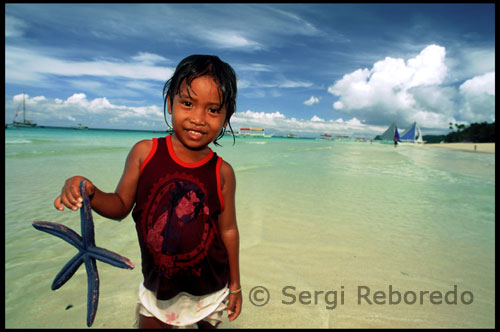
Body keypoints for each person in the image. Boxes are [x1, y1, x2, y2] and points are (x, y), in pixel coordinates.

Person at [54, 54, 242, 328]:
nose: (199, 118)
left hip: (210, 288)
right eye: (188, 103)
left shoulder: (222, 172)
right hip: (158, 288)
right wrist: (90, 191)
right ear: (170, 103)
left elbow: (228, 230)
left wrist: (235, 284)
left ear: (226, 119)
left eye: (213, 110)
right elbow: (119, 206)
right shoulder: (145, 153)